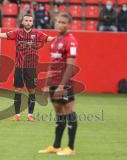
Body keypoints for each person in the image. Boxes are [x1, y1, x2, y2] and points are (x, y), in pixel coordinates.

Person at [0, 14, 54, 121]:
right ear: (23, 22)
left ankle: (30, 115)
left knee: (32, 90)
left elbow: (49, 38)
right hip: (19, 67)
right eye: (26, 20)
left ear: (32, 23)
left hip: (31, 68)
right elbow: (2, 35)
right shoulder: (17, 33)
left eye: (30, 20)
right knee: (18, 89)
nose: (28, 22)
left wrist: (61, 37)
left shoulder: (37, 34)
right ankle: (17, 115)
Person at [38, 12, 78, 156]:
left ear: (69, 25)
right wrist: (48, 85)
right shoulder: (54, 41)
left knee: (69, 112)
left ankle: (71, 148)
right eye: (58, 21)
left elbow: (71, 65)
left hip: (65, 83)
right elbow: (52, 64)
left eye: (63, 22)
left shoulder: (71, 41)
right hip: (53, 83)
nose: (60, 24)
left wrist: (62, 85)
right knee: (59, 113)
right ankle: (56, 146)